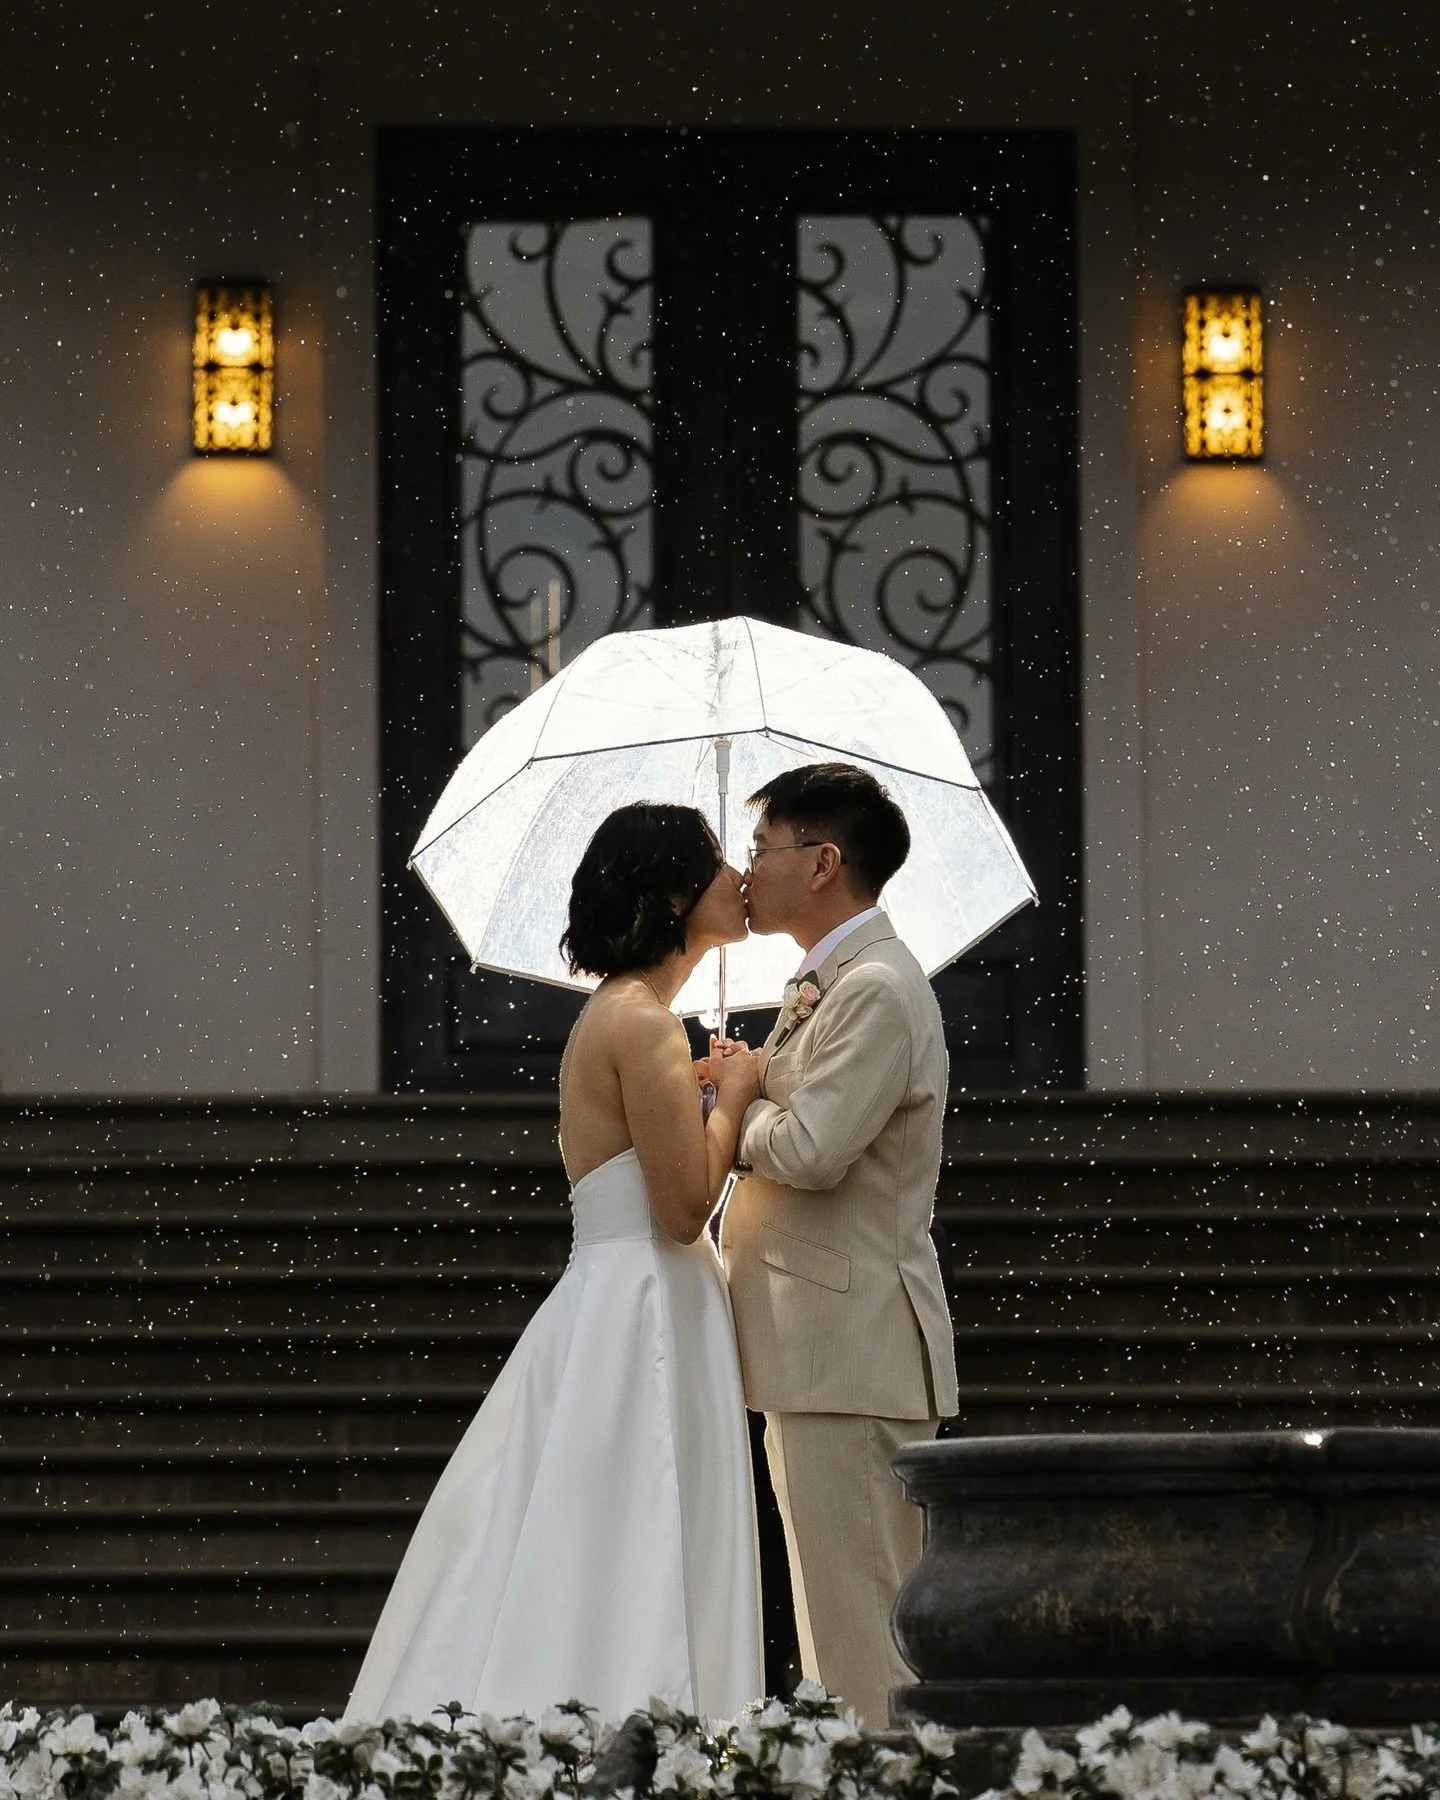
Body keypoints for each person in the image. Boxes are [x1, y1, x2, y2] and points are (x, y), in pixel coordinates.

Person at [345, 802, 764, 1725]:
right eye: (716, 863)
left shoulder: (616, 1016)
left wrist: (699, 1101)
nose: (739, 877)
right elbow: (684, 1207)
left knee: (595, 1527)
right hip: (646, 1308)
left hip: (619, 1297)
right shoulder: (644, 1023)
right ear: (670, 895)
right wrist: (735, 1098)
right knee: (640, 1527)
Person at [720, 763, 959, 1727]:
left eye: (760, 847)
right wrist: (752, 1077)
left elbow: (815, 1148)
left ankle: (881, 1782)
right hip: (820, 1348)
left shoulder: (879, 989)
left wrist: (734, 1111)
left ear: (822, 863)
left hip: (851, 1347)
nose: (746, 870)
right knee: (839, 1622)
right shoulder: (833, 981)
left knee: (862, 1629)